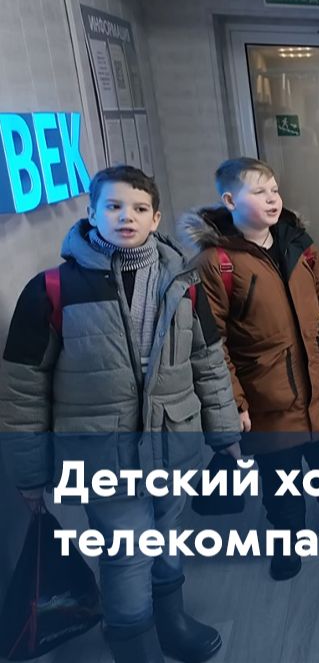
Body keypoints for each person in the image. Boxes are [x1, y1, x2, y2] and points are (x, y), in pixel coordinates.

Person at [0, 165, 241, 663]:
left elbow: (208, 361)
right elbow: (23, 390)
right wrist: (31, 473)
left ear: (155, 218)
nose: (126, 216)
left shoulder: (183, 284)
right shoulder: (52, 290)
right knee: (127, 552)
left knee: (168, 535)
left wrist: (223, 434)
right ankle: (134, 643)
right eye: (113, 206)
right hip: (101, 457)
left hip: (172, 444)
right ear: (92, 214)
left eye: (138, 208)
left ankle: (170, 621)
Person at [182, 157, 319, 582]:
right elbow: (211, 343)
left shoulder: (301, 246)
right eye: (259, 191)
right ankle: (288, 538)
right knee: (281, 481)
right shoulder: (216, 263)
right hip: (267, 397)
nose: (272, 199)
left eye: (275, 190)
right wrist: (235, 404)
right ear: (231, 201)